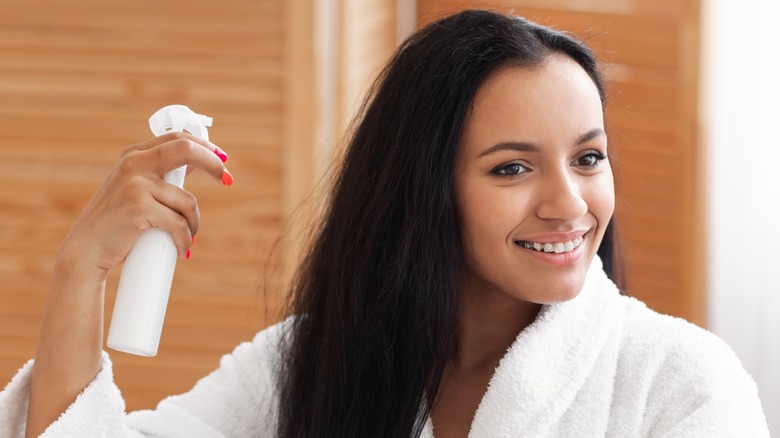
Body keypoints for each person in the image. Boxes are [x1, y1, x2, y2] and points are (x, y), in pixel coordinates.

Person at [0, 9, 769, 438]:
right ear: (423, 189)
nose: (570, 203)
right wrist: (81, 270)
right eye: (512, 167)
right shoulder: (313, 361)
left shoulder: (680, 385)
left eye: (590, 158)